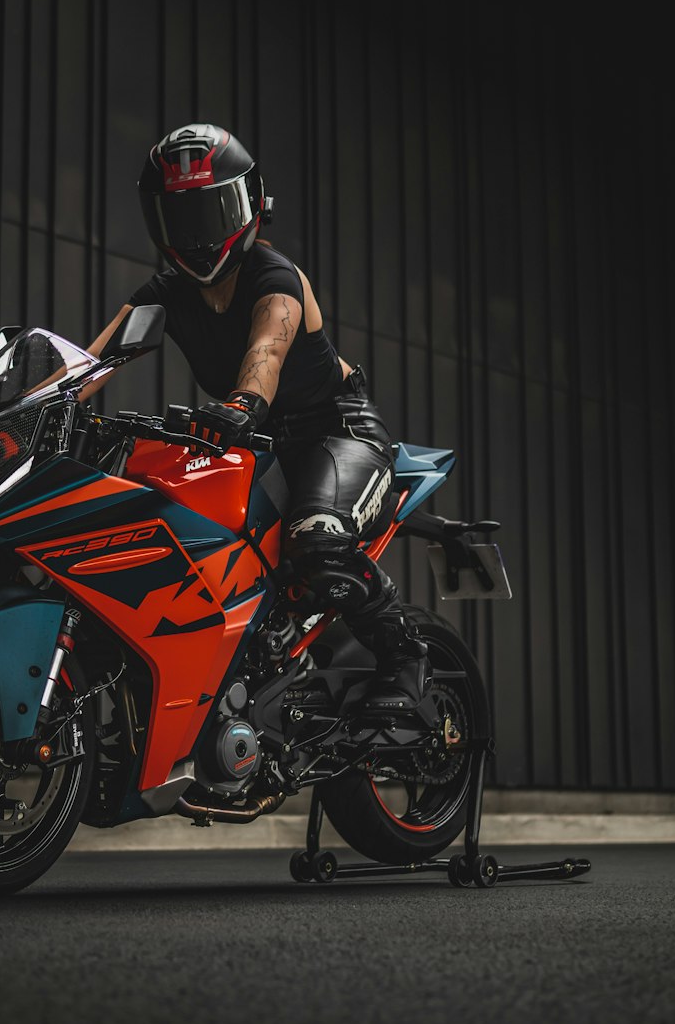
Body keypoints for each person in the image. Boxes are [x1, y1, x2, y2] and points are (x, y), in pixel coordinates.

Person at [88, 122, 428, 705]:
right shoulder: (165, 294)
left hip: (334, 433)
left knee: (316, 542)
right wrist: (32, 408)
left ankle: (405, 657)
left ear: (250, 206)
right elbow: (92, 361)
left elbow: (266, 350)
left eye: (211, 213)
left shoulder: (276, 278)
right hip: (253, 445)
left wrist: (243, 404)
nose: (197, 236)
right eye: (181, 218)